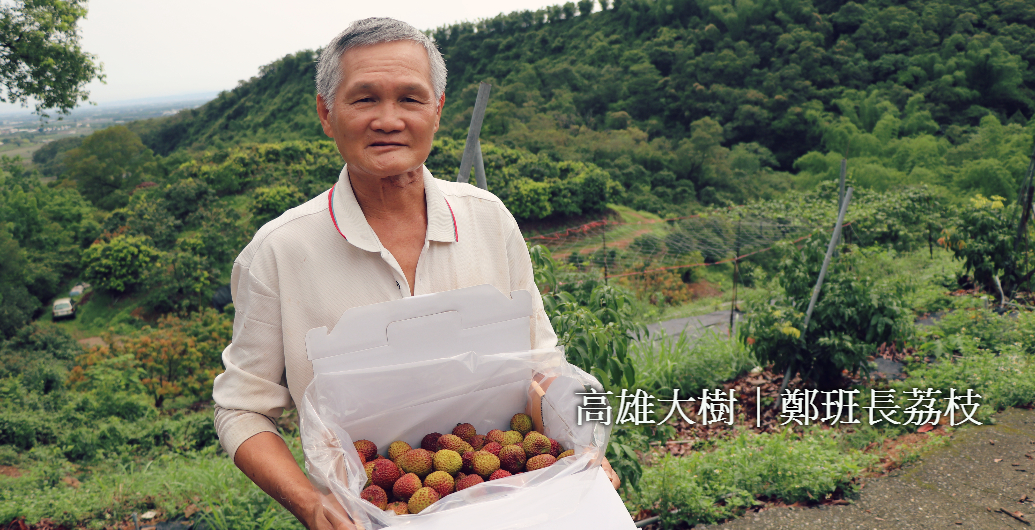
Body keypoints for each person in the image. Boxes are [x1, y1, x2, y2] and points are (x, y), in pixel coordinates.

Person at [211, 17, 619, 530]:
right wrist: (311, 503)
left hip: (521, 503)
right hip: (373, 514)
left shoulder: (489, 219)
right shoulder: (279, 252)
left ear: (437, 110)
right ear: (326, 113)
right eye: (364, 99)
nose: (388, 119)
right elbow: (242, 411)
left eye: (410, 98)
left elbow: (542, 368)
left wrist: (581, 450)